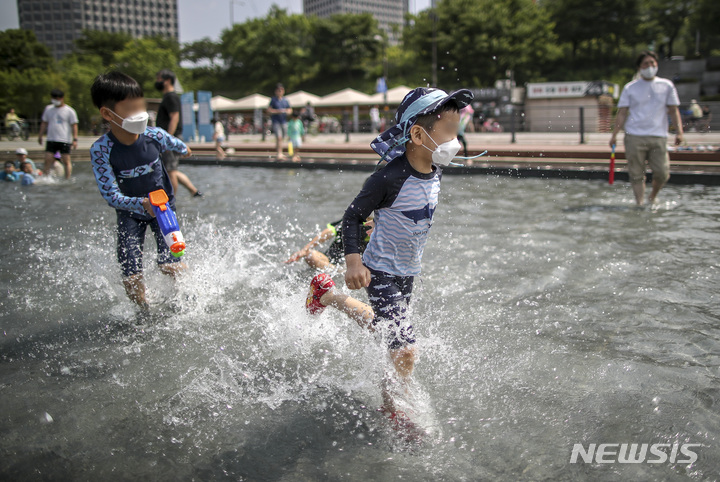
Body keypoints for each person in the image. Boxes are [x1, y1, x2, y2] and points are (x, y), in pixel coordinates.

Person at [304, 87, 474, 425]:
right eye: (450, 133)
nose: (457, 142)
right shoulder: (388, 177)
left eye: (458, 132)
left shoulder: (435, 169)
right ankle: (400, 407)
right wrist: (354, 260)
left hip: (407, 270)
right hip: (379, 268)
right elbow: (352, 216)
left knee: (386, 333)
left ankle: (327, 295)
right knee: (405, 348)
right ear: (417, 134)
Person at [90, 70, 192, 310]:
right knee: (131, 273)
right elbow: (110, 195)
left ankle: (188, 298)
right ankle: (145, 311)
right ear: (107, 113)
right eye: (132, 109)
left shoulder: (153, 135)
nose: (141, 114)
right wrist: (141, 204)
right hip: (130, 213)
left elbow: (171, 141)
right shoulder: (102, 150)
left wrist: (184, 148)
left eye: (142, 107)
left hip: (164, 208)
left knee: (170, 263)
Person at [610, 50, 683, 206]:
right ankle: (640, 203)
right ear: (639, 67)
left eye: (652, 63)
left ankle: (652, 196)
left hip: (658, 135)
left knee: (662, 173)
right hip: (634, 135)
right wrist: (614, 135)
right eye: (646, 63)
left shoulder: (666, 85)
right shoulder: (630, 87)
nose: (649, 66)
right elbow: (622, 113)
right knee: (636, 174)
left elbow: (673, 110)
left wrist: (679, 132)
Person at [155, 69, 203, 198]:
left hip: (170, 139)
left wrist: (167, 139)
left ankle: (170, 203)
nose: (157, 81)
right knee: (171, 170)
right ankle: (194, 191)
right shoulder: (168, 97)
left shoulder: (171, 97)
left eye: (159, 78)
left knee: (170, 172)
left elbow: (174, 117)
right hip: (170, 139)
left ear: (168, 81)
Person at [286, 215, 373, 272]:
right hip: (332, 262)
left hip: (360, 266)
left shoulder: (383, 226)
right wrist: (304, 249)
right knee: (310, 255)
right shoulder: (353, 220)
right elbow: (329, 232)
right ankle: (335, 271)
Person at [38, 89, 78, 179]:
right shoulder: (48, 109)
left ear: (62, 98)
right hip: (51, 138)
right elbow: (44, 123)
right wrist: (40, 135)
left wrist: (75, 139)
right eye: (53, 97)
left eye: (57, 98)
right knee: (48, 159)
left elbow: (74, 125)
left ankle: (67, 178)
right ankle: (46, 177)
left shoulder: (69, 110)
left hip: (64, 139)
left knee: (66, 160)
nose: (55, 99)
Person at [267, 83, 292, 160]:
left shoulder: (285, 100)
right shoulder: (273, 100)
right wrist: (279, 111)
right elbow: (269, 110)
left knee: (284, 137)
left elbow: (290, 110)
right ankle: (279, 153)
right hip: (276, 121)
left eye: (281, 90)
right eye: (278, 90)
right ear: (276, 91)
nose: (280, 92)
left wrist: (287, 112)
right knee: (279, 137)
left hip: (284, 121)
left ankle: (282, 152)